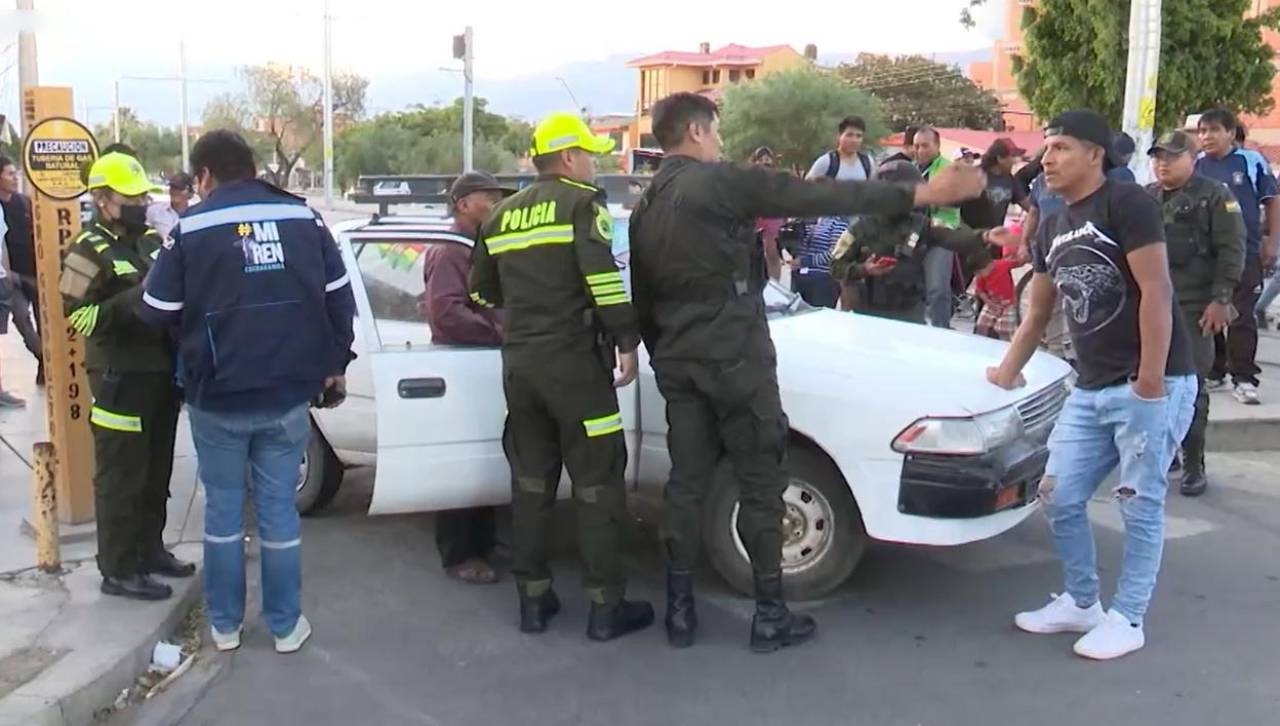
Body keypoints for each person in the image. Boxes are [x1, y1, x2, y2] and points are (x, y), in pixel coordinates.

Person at [627, 92, 984, 652]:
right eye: (715, 131)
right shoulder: (718, 182)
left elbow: (641, 297)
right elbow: (816, 193)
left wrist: (665, 350)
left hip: (678, 360)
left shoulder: (648, 203)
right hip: (736, 357)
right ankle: (769, 615)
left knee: (686, 482)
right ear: (695, 132)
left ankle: (680, 612)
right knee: (761, 480)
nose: (719, 142)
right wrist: (925, 191)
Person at [988, 110, 1196, 661]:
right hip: (1091, 385)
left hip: (1152, 381)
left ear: (1094, 155)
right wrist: (1004, 374)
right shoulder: (1053, 221)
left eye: (1059, 147)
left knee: (1139, 503)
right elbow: (1037, 315)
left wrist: (1150, 383)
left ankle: (1128, 618)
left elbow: (1156, 291)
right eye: (1045, 148)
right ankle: (1083, 603)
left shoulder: (1127, 204)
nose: (1047, 159)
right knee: (1057, 492)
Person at [141, 130, 356, 654]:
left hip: (216, 398)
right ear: (253, 167)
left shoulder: (190, 228)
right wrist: (334, 364)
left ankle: (226, 625)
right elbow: (339, 302)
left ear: (206, 176)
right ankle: (284, 626)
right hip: (286, 397)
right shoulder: (304, 220)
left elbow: (155, 310)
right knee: (279, 509)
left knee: (223, 510)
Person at [469, 112, 652, 642]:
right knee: (598, 484)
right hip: (576, 369)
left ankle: (532, 601)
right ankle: (605, 607)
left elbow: (481, 293)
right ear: (569, 158)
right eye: (590, 155)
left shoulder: (499, 215)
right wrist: (626, 340)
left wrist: (529, 304)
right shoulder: (582, 204)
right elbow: (604, 280)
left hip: (520, 368)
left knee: (529, 484)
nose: (595, 164)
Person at [58, 152, 193, 601]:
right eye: (129, 196)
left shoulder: (153, 243)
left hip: (160, 375)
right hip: (119, 378)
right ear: (102, 198)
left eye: (142, 196)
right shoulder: (87, 249)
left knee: (156, 471)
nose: (139, 203)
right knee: (121, 478)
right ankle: (118, 569)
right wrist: (138, 296)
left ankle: (150, 551)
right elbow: (78, 318)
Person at [1146, 130, 1245, 497]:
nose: (1162, 164)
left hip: (1194, 307)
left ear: (1192, 159)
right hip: (1151, 307)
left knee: (1191, 388)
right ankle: (1166, 451)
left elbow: (1231, 249)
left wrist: (1221, 299)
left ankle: (1193, 462)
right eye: (1157, 158)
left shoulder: (1215, 197)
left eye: (1171, 157)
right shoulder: (1147, 197)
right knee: (1150, 383)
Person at [423, 172, 510, 583]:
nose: (495, 203)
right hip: (461, 363)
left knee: (485, 456)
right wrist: (498, 332)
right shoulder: (451, 250)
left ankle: (484, 545)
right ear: (462, 204)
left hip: (481, 361)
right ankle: (460, 554)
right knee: (464, 463)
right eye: (488, 197)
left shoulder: (477, 245)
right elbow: (446, 313)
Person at [831, 160, 1007, 323]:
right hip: (868, 317)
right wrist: (864, 270)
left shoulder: (919, 223)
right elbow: (835, 266)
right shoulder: (860, 228)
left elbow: (950, 236)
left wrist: (985, 236)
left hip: (910, 315)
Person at [1196, 108, 1278, 405]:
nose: (1206, 137)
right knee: (1209, 313)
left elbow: (1272, 202)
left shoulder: (1251, 161)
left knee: (1242, 316)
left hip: (1247, 252)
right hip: (1206, 256)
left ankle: (1243, 377)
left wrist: (1271, 240)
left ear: (1230, 133)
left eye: (1213, 130)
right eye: (1202, 131)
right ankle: (1214, 371)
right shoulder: (1196, 165)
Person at [0, 156, 43, 385]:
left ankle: (45, 368)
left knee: (44, 322)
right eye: (9, 174)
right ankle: (44, 358)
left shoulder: (25, 203)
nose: (14, 178)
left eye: (15, 174)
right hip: (10, 276)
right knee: (21, 318)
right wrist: (11, 276)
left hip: (34, 274)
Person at [914, 127, 963, 329]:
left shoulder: (949, 169)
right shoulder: (911, 168)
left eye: (925, 145)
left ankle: (940, 331)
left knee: (937, 289)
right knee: (912, 287)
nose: (920, 150)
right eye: (917, 146)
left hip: (941, 235)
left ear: (937, 146)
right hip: (913, 234)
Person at [961, 138, 1030, 230]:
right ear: (1000, 158)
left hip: (995, 237)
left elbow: (1029, 206)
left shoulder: (1010, 180)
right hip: (971, 237)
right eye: (1012, 156)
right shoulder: (974, 175)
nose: (1015, 161)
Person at [973, 244, 1028, 340]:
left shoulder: (1002, 265)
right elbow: (981, 291)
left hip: (1009, 304)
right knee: (982, 324)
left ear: (989, 264)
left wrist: (1024, 256)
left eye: (980, 272)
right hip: (992, 302)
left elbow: (1018, 263)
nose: (979, 275)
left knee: (1003, 328)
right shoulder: (981, 277)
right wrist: (990, 303)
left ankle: (1006, 345)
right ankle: (980, 341)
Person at [794, 215, 848, 308]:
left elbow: (835, 253)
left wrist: (805, 261)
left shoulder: (838, 222)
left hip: (824, 279)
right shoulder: (806, 220)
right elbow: (798, 247)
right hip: (799, 276)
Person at [750, 147, 786, 281]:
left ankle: (774, 285)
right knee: (756, 254)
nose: (765, 162)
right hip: (756, 219)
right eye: (761, 159)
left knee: (772, 253)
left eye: (767, 159)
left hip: (772, 219)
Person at [805, 116, 874, 181]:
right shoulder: (826, 162)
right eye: (849, 135)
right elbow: (807, 188)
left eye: (858, 136)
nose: (854, 140)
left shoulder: (867, 162)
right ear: (839, 136)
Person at [146, 172, 195, 241]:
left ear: (189, 191)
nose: (174, 191)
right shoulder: (154, 211)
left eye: (179, 188)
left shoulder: (197, 213)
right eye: (172, 187)